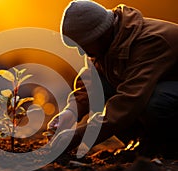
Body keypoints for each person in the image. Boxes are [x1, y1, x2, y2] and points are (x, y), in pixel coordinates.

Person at [48, 0, 178, 157]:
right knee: (102, 87)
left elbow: (129, 101)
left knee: (157, 101)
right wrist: (71, 112)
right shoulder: (107, 43)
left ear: (100, 34)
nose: (82, 53)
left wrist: (77, 137)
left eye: (83, 46)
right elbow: (92, 83)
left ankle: (167, 148)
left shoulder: (151, 42)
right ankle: (145, 143)